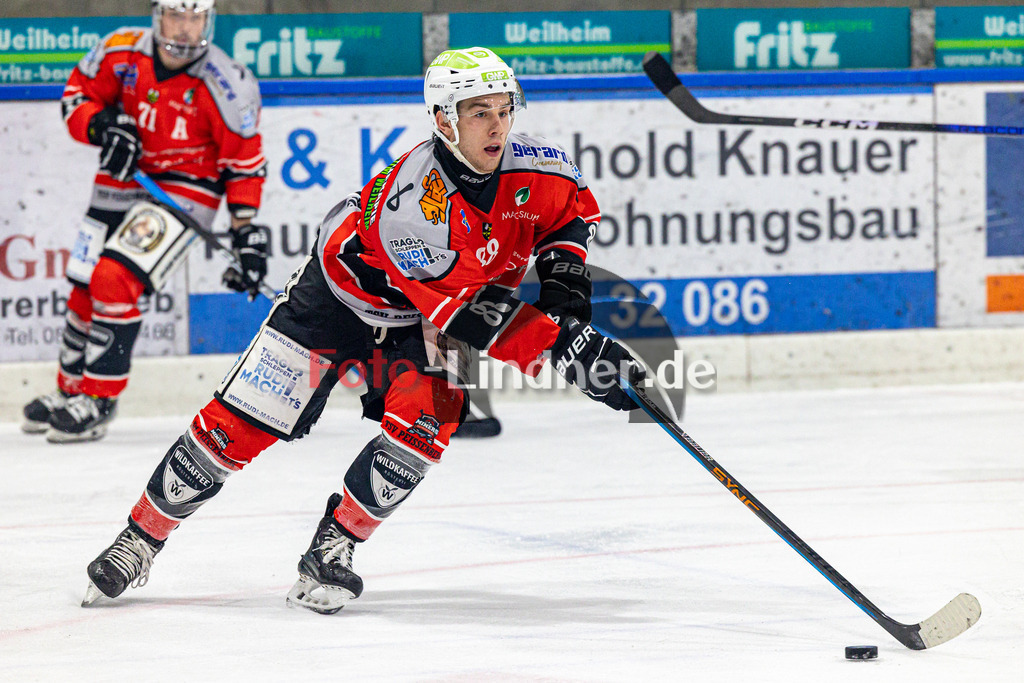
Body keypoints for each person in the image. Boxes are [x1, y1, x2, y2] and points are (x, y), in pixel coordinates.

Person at [80, 47, 646, 614]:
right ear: (444, 119)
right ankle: (138, 539)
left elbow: (566, 218)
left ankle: (334, 546)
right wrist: (565, 351)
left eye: (504, 109)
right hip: (335, 300)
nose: (497, 126)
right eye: (479, 112)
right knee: (238, 427)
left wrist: (569, 312)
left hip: (421, 317)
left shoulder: (541, 168)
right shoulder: (412, 204)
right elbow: (468, 312)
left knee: (428, 423)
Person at [21, 0, 269, 444]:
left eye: (197, 17)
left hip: (183, 192)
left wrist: (245, 230)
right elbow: (77, 96)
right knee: (83, 284)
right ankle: (69, 390)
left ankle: (99, 399)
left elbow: (244, 163)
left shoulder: (227, 81)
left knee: (114, 278)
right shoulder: (121, 51)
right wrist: (103, 125)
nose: (188, 28)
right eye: (178, 15)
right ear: (158, 16)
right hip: (121, 178)